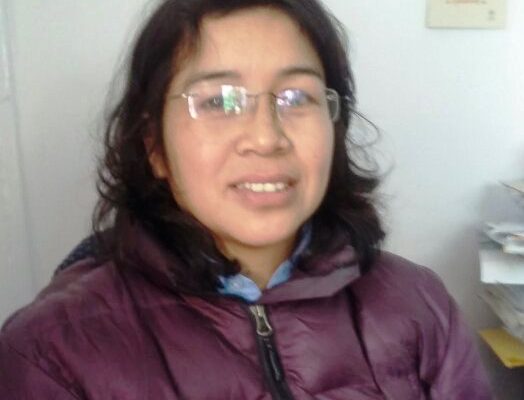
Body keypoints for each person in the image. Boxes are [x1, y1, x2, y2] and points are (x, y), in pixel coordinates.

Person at [0, 0, 492, 399]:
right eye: (219, 101)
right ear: (155, 148)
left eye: (296, 97)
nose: (266, 137)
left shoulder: (420, 305)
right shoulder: (49, 352)